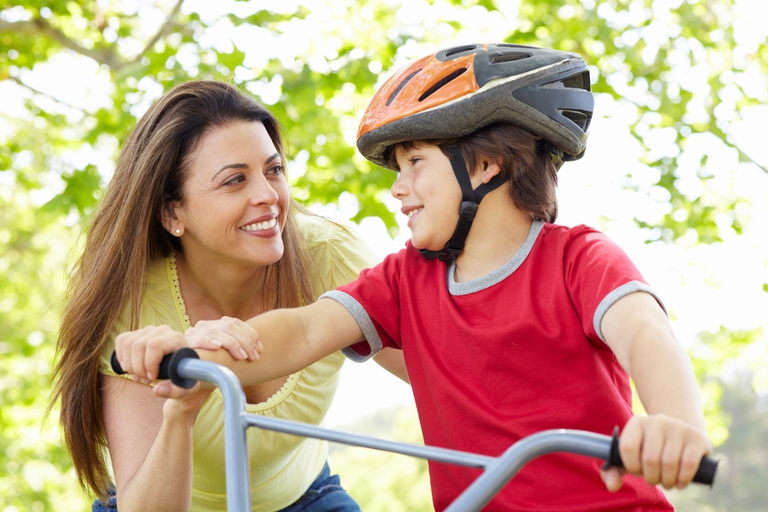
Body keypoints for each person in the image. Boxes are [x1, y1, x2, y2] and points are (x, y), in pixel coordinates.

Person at [115, 44, 713, 510]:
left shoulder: (578, 259)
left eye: (416, 163)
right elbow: (299, 333)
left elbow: (643, 334)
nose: (398, 188)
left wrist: (675, 426)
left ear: (484, 164)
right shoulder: (404, 281)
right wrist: (196, 354)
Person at [50, 80, 406, 512]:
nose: (268, 196)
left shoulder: (330, 255)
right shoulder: (135, 306)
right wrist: (181, 412)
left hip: (305, 496)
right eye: (235, 180)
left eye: (273, 170)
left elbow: (436, 371)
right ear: (172, 212)